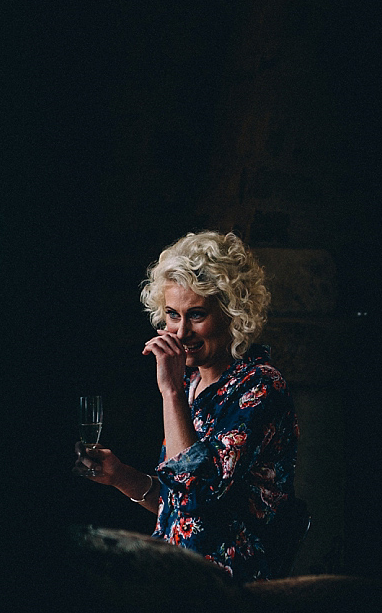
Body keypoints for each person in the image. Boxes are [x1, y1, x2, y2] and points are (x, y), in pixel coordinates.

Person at [75, 231, 304, 582]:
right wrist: (120, 476)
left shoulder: (259, 386)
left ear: (233, 313)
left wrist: (170, 393)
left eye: (196, 314)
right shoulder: (190, 383)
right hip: (177, 567)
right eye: (172, 315)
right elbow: (181, 508)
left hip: (227, 581)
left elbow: (196, 495)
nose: (180, 333)